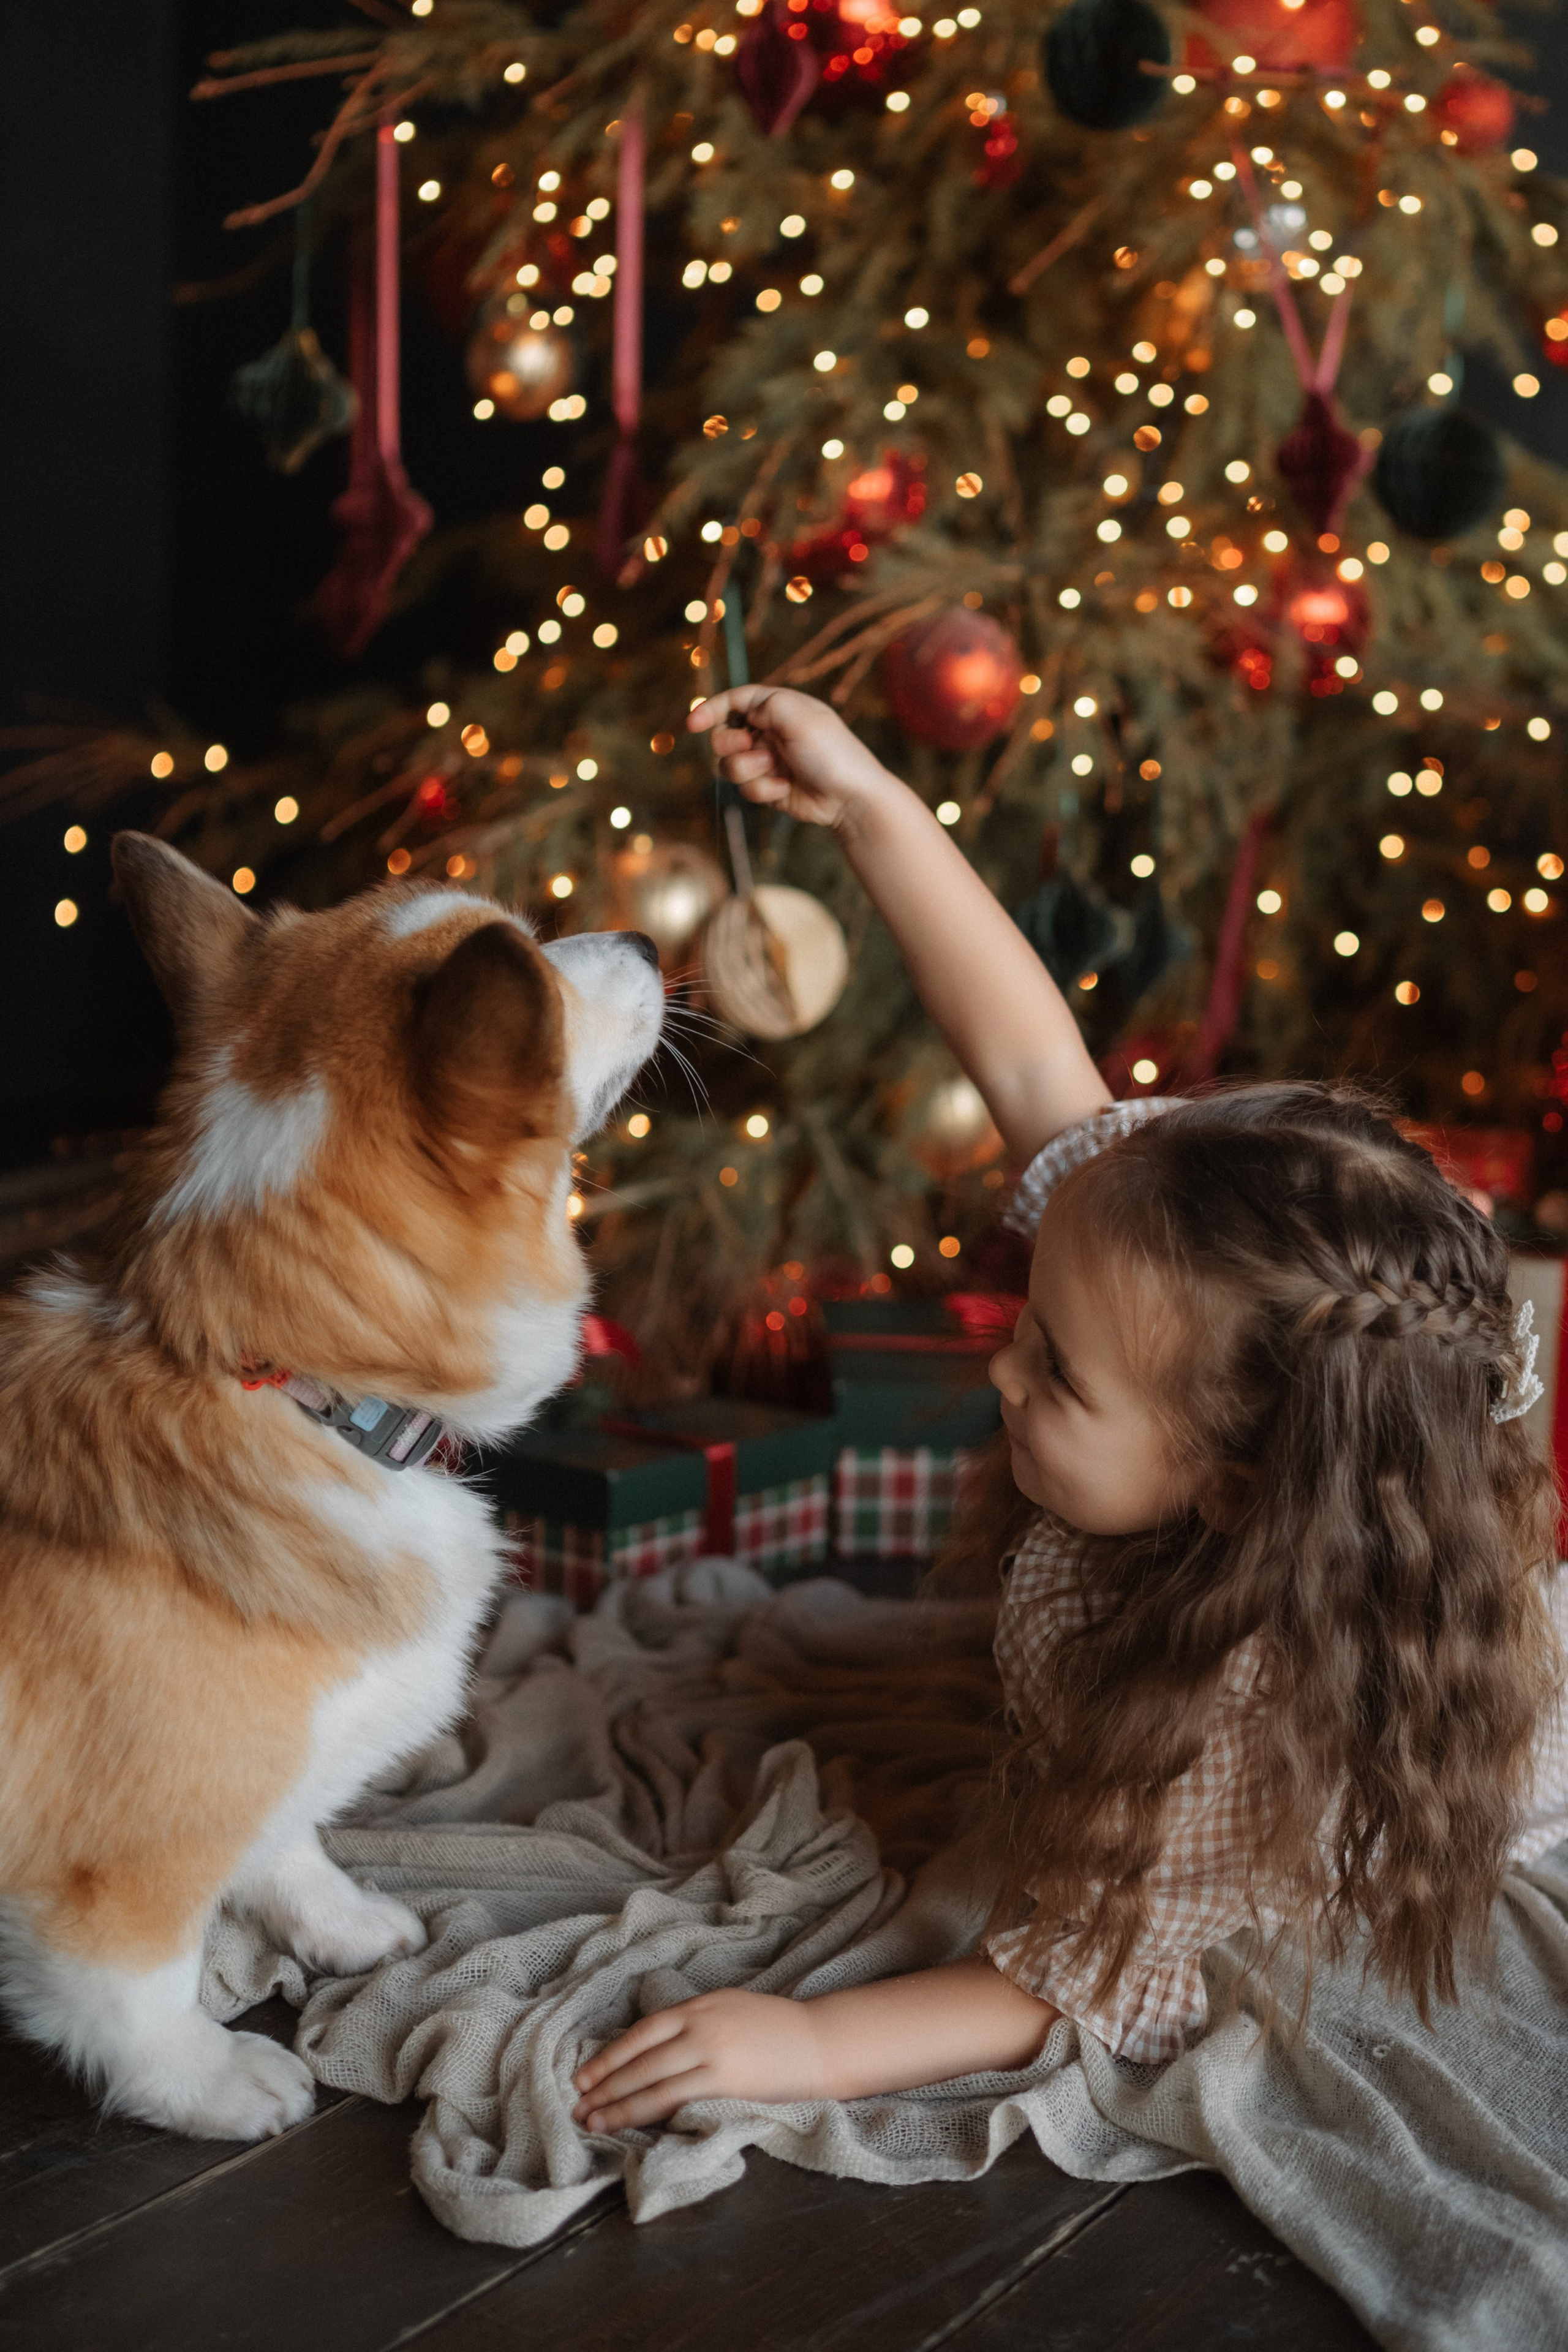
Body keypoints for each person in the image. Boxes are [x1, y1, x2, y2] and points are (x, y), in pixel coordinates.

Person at [572, 685, 1567, 2134]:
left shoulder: (1250, 1705)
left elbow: (1077, 1980)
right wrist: (866, 804)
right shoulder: (1164, 1273)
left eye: (1055, 1374)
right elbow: (1033, 1063)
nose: (1000, 1374)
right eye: (1028, 1331)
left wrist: (807, 2048)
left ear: (1230, 1484)